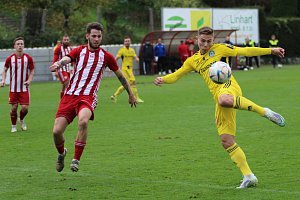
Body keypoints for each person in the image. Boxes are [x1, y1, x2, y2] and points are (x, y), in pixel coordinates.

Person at [154, 26, 285, 189]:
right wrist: (163, 79)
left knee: (224, 99)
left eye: (209, 41)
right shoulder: (192, 61)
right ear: (197, 39)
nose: (206, 44)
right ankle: (249, 176)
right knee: (226, 140)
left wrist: (270, 50)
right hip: (219, 97)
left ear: (213, 40)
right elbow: (177, 75)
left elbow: (245, 51)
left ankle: (264, 112)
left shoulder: (221, 49)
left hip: (229, 86)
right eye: (203, 41)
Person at [49, 22, 137, 173]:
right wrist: (58, 63)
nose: (96, 39)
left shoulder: (106, 56)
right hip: (69, 95)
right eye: (94, 36)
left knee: (83, 121)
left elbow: (121, 77)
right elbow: (67, 59)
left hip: (88, 96)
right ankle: (62, 153)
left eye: (99, 36)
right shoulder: (79, 51)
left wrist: (130, 94)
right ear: (87, 36)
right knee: (57, 132)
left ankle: (76, 159)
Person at [0, 37, 35, 133]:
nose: (20, 45)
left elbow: (32, 70)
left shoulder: (28, 58)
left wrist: (29, 80)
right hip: (13, 88)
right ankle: (13, 126)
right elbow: (5, 70)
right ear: (14, 46)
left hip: (24, 88)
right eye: (18, 44)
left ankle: (21, 120)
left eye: (22, 44)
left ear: (23, 46)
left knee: (25, 108)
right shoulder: (10, 58)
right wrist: (3, 80)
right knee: (14, 107)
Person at [110, 36, 144, 103]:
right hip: (124, 69)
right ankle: (136, 98)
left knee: (127, 84)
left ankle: (114, 95)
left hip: (130, 69)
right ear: (124, 42)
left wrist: (137, 59)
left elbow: (135, 57)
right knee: (132, 82)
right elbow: (116, 58)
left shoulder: (132, 50)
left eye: (128, 41)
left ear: (130, 42)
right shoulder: (122, 50)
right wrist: (111, 66)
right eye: (126, 41)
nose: (127, 42)